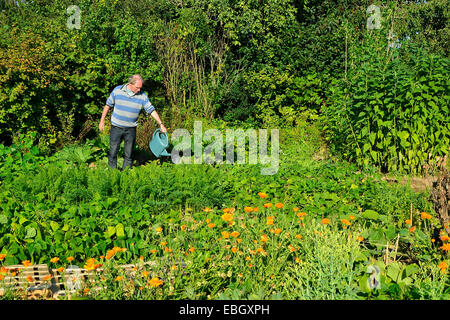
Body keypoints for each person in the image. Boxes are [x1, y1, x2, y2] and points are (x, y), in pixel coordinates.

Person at [98, 74, 167, 169]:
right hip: (116, 127)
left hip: (131, 129)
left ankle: (126, 174)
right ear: (130, 84)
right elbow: (107, 105)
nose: (139, 90)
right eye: (137, 87)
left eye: (140, 87)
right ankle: (112, 174)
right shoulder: (117, 90)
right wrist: (102, 121)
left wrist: (161, 124)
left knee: (129, 154)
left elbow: (151, 110)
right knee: (113, 152)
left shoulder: (142, 96)